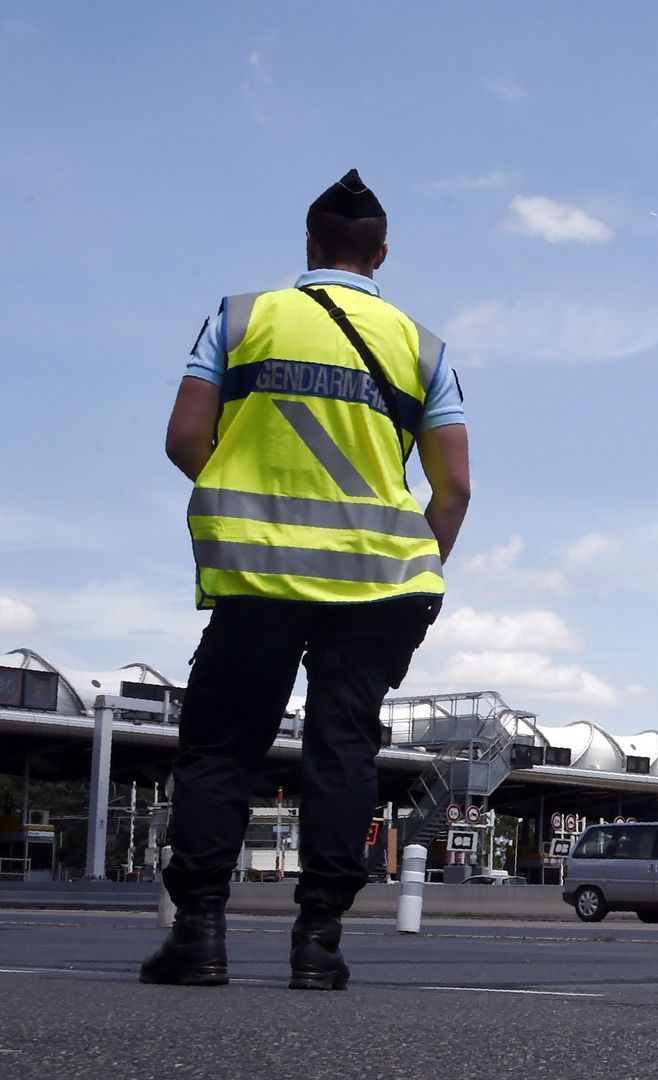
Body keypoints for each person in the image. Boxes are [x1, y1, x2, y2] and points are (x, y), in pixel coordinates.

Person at [143, 169, 471, 991]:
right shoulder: (423, 348)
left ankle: (201, 937)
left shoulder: (242, 316)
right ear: (382, 254)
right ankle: (319, 943)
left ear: (309, 245)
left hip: (255, 576)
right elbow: (455, 487)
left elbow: (185, 436)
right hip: (377, 586)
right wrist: (419, 568)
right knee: (342, 751)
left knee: (221, 747)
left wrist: (244, 504)